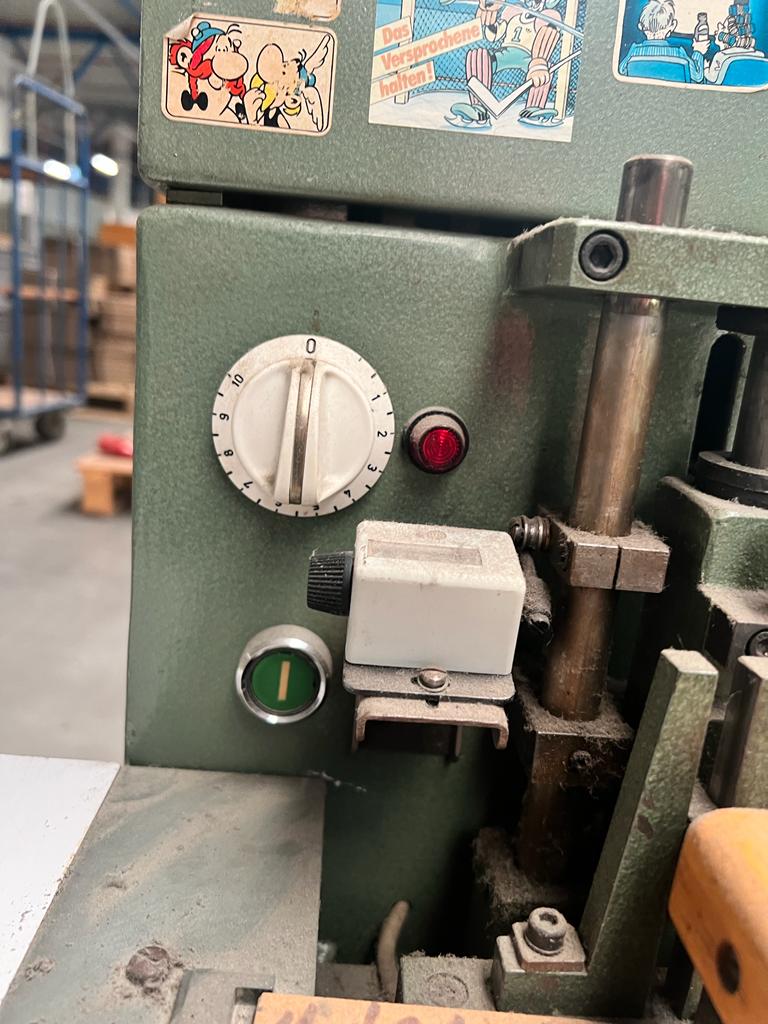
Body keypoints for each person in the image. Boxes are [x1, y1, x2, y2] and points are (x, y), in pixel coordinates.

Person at [450, 0, 563, 128]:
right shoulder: (513, 10)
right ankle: (478, 109)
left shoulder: (547, 15)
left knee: (545, 69)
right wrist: (490, 23)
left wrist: (539, 62)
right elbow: (494, 36)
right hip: (504, 52)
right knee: (477, 55)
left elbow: (549, 34)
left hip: (529, 57)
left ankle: (533, 110)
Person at [618, 0, 707, 83]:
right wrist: (698, 52)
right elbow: (698, 76)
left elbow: (622, 71)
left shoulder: (634, 51)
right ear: (672, 26)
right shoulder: (679, 53)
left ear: (640, 26)